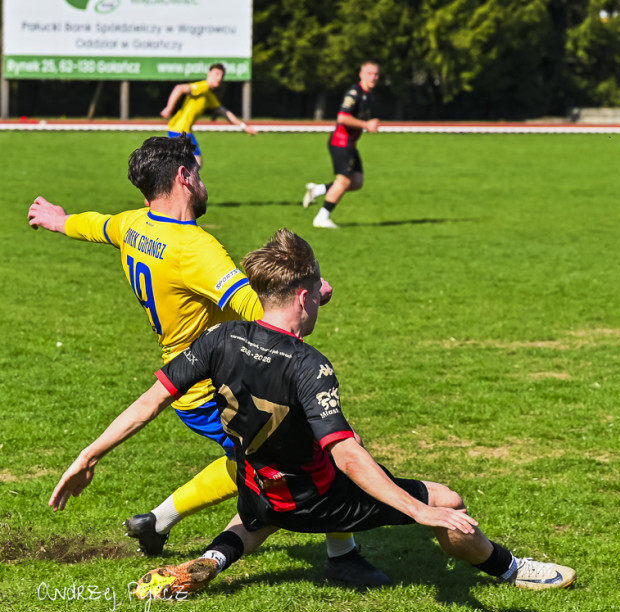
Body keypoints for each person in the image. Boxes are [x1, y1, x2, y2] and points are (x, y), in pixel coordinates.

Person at [49, 229, 577, 597]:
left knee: (258, 514)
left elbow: (150, 402)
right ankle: (512, 568)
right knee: (447, 500)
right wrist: (420, 512)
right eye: (317, 290)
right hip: (322, 501)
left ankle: (211, 560)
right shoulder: (309, 366)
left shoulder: (220, 338)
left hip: (261, 487)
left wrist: (88, 456)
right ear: (303, 298)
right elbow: (346, 455)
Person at [28, 135, 385, 588]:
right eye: (198, 172)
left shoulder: (134, 225)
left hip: (186, 381)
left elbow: (99, 225)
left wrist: (60, 221)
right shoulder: (194, 249)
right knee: (314, 452)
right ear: (183, 176)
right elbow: (261, 313)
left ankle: (157, 522)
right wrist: (309, 292)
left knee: (262, 459)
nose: (203, 181)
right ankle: (341, 556)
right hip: (221, 386)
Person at [303, 61, 381, 229]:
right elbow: (342, 118)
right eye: (369, 73)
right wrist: (366, 125)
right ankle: (322, 217)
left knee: (357, 181)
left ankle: (318, 190)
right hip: (340, 142)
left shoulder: (369, 95)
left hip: (350, 143)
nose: (373, 77)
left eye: (376, 74)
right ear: (361, 74)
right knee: (344, 181)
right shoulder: (354, 93)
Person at [160, 63, 257, 167]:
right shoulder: (203, 86)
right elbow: (179, 88)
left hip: (184, 132)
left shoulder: (209, 95)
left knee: (193, 164)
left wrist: (243, 126)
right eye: (217, 74)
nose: (219, 78)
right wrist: (169, 108)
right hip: (178, 130)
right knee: (193, 164)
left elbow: (225, 113)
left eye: (222, 75)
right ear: (209, 73)